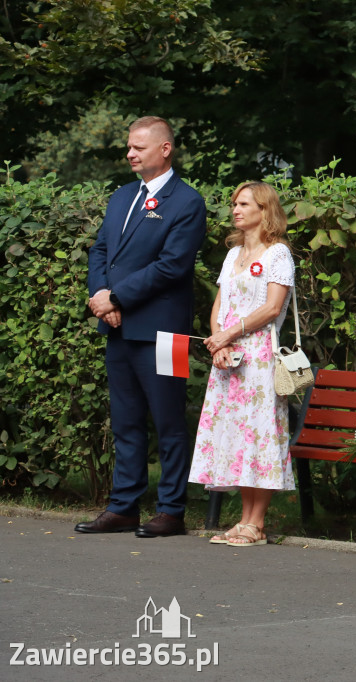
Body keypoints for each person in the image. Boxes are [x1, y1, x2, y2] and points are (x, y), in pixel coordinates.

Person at [79, 116, 206, 538]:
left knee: (169, 422)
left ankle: (171, 510)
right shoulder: (121, 197)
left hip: (163, 333)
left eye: (139, 147)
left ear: (165, 149)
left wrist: (117, 297)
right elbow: (100, 251)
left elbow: (172, 266)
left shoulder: (187, 201)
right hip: (118, 328)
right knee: (126, 422)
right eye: (129, 147)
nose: (130, 154)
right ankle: (124, 507)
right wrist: (103, 298)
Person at [188, 182, 296, 546]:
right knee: (236, 436)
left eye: (244, 203)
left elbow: (271, 307)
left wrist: (228, 334)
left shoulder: (278, 253)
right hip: (229, 358)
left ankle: (258, 522)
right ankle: (244, 520)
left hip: (259, 355)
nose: (235, 209)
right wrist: (218, 339)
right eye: (234, 203)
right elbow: (220, 301)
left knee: (259, 434)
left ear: (264, 210)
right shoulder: (233, 254)